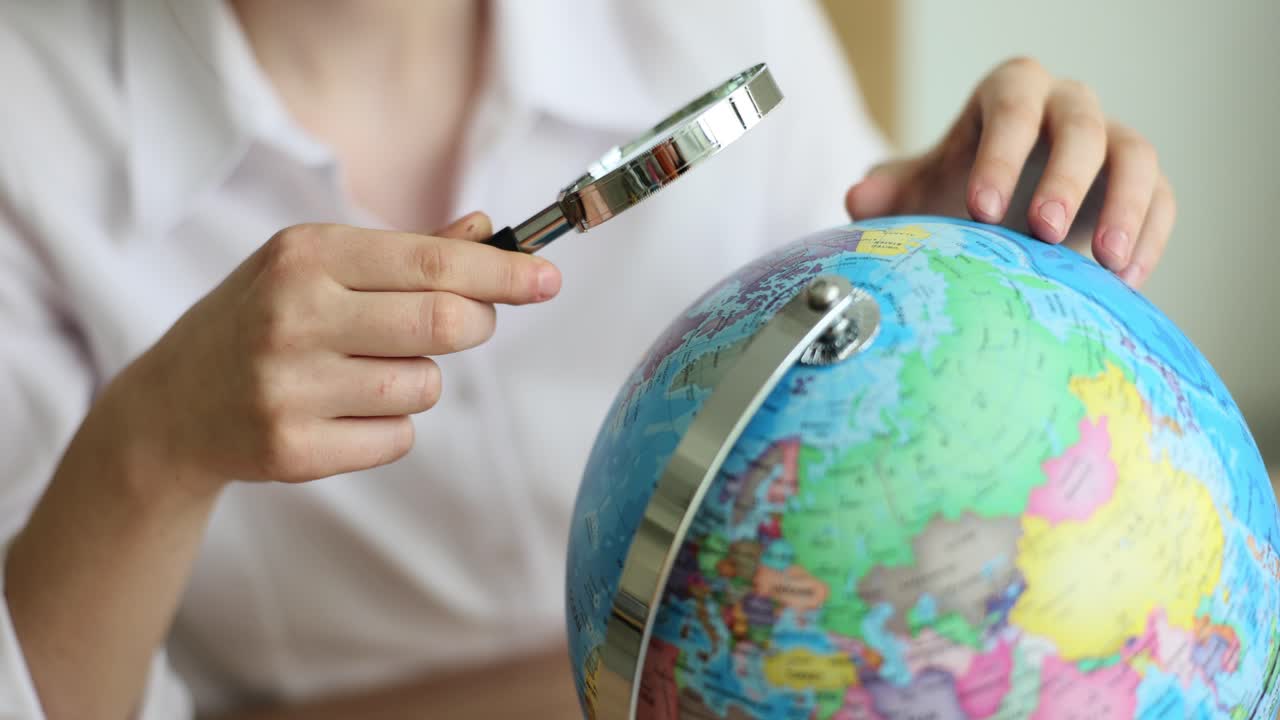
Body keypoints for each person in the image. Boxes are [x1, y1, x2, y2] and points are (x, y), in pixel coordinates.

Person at [0, 1, 1174, 718]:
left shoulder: (723, 19)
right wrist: (153, 444)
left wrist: (938, 267)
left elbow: (886, 402)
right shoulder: (26, 126)